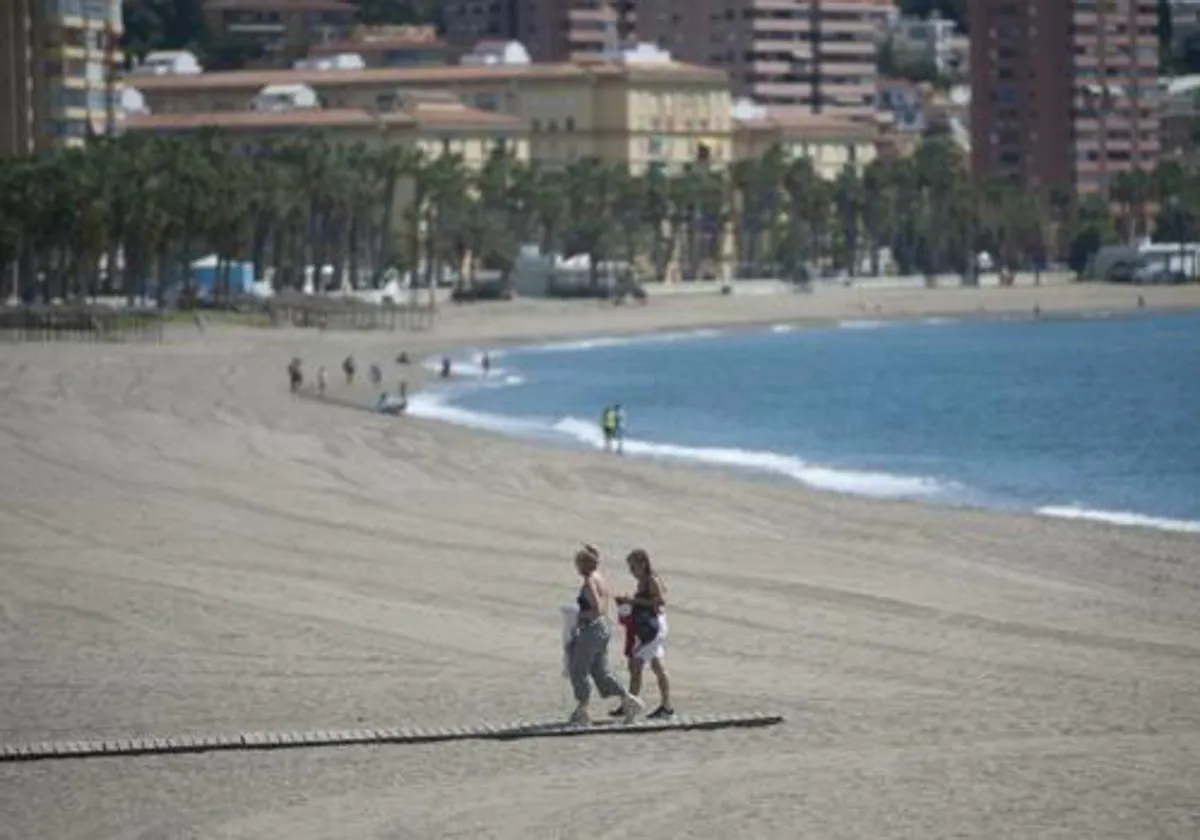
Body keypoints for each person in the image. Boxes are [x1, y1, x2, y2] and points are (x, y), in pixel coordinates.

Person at [566, 545, 645, 726]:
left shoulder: (589, 581)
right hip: (602, 629)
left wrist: (580, 615)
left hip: (592, 629)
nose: (576, 567)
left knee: (579, 669)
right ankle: (628, 700)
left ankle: (582, 709)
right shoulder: (599, 578)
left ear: (585, 564)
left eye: (578, 563)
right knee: (600, 671)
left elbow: (597, 608)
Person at [612, 549, 673, 719]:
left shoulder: (651, 579)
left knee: (636, 664)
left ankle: (631, 705)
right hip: (653, 625)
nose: (631, 571)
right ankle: (666, 706)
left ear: (643, 564)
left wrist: (634, 601)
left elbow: (660, 601)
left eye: (633, 567)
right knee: (657, 665)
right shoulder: (644, 581)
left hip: (654, 626)